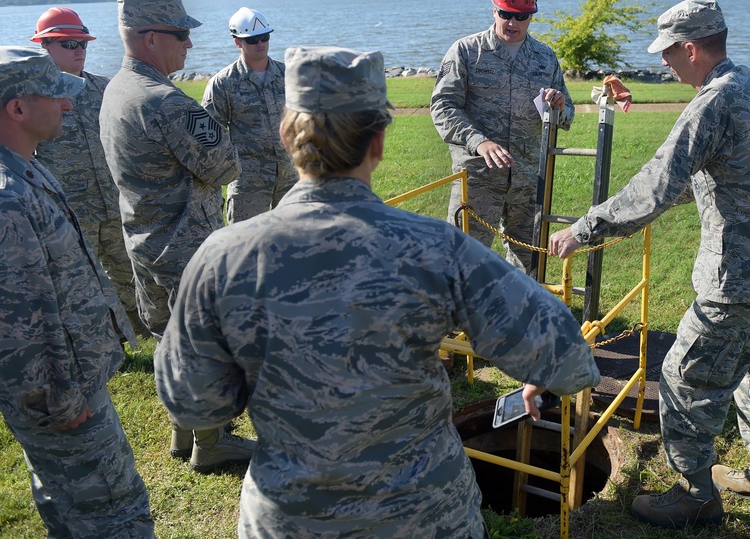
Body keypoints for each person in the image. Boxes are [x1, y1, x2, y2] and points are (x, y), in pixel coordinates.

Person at [155, 46, 601, 538]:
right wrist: (540, 374)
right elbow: (567, 359)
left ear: (286, 134)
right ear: (378, 141)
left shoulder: (224, 255)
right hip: (426, 517)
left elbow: (192, 404)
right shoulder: (438, 249)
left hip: (292, 519)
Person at [549, 0, 750, 528]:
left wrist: (584, 228)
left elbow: (655, 186)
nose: (665, 63)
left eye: (669, 53)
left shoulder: (712, 103)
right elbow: (727, 170)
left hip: (738, 278)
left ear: (691, 49)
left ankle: (695, 494)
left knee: (683, 379)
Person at [0, 46, 154, 537]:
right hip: (62, 398)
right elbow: (21, 321)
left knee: (67, 506)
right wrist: (60, 403)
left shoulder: (25, 168)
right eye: (55, 95)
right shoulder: (8, 199)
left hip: (66, 388)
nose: (69, 103)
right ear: (17, 109)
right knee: (114, 513)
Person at [100, 0, 254, 471]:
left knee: (173, 340)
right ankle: (210, 443)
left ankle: (183, 430)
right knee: (205, 344)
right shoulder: (165, 102)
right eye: (181, 35)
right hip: (186, 243)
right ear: (150, 38)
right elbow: (226, 166)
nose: (189, 45)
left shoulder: (116, 89)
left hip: (146, 239)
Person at [431, 0, 573, 274]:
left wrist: (559, 106)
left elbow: (568, 113)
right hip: (479, 178)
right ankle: (458, 320)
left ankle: (518, 315)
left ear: (531, 14)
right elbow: (443, 106)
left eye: (521, 16)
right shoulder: (467, 52)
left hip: (528, 179)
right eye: (506, 14)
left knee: (530, 262)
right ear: (494, 8)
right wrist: (479, 141)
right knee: (462, 260)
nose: (513, 22)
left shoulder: (545, 58)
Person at [30, 7, 147, 338]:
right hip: (69, 212)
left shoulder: (104, 89)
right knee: (76, 283)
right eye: (68, 44)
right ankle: (92, 344)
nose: (78, 50)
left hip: (113, 203)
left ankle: (134, 336)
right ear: (45, 46)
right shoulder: (34, 95)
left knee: (128, 272)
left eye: (82, 43)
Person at [203, 7, 296, 223]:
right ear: (237, 42)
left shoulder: (289, 74)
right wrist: (229, 169)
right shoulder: (223, 83)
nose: (260, 44)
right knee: (247, 249)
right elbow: (210, 137)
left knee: (295, 244)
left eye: (264, 37)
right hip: (249, 185)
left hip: (291, 179)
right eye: (253, 40)